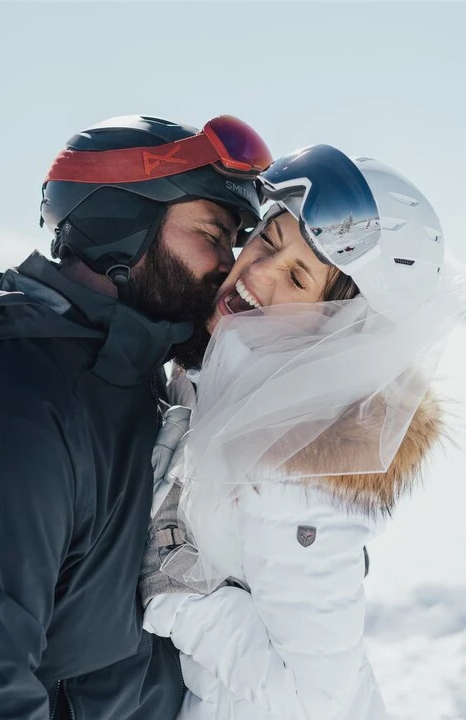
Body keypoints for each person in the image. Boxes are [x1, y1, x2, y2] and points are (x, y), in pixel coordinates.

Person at [141, 145, 465, 719]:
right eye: (268, 240)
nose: (258, 271)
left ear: (336, 330)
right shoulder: (213, 385)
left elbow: (314, 700)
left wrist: (179, 592)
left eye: (297, 276)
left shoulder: (299, 460)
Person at [0, 113, 272, 719]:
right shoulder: (24, 397)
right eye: (212, 234)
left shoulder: (144, 389)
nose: (230, 265)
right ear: (122, 229)